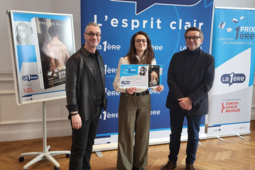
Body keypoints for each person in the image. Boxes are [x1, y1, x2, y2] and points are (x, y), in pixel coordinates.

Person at [163, 27, 215, 170]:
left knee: (193, 135)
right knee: (175, 134)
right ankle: (172, 160)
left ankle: (189, 163)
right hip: (176, 103)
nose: (192, 40)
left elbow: (207, 83)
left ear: (201, 40)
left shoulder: (208, 59)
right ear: (185, 39)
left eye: (195, 37)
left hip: (196, 104)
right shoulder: (176, 56)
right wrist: (182, 100)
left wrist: (190, 100)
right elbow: (171, 79)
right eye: (189, 37)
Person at [113, 31, 164, 170]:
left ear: (147, 44)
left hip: (145, 99)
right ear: (133, 44)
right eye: (138, 41)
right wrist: (125, 90)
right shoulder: (124, 60)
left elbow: (152, 84)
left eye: (144, 41)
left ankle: (139, 165)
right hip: (128, 99)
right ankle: (125, 166)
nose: (141, 43)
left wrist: (157, 87)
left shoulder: (152, 61)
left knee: (143, 134)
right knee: (126, 134)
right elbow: (116, 84)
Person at [65, 22, 107, 170]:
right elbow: (70, 88)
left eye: (97, 34)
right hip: (81, 112)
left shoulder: (99, 57)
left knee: (89, 144)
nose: (94, 37)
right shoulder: (75, 59)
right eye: (91, 33)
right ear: (85, 35)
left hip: (96, 110)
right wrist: (74, 113)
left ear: (100, 37)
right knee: (79, 148)